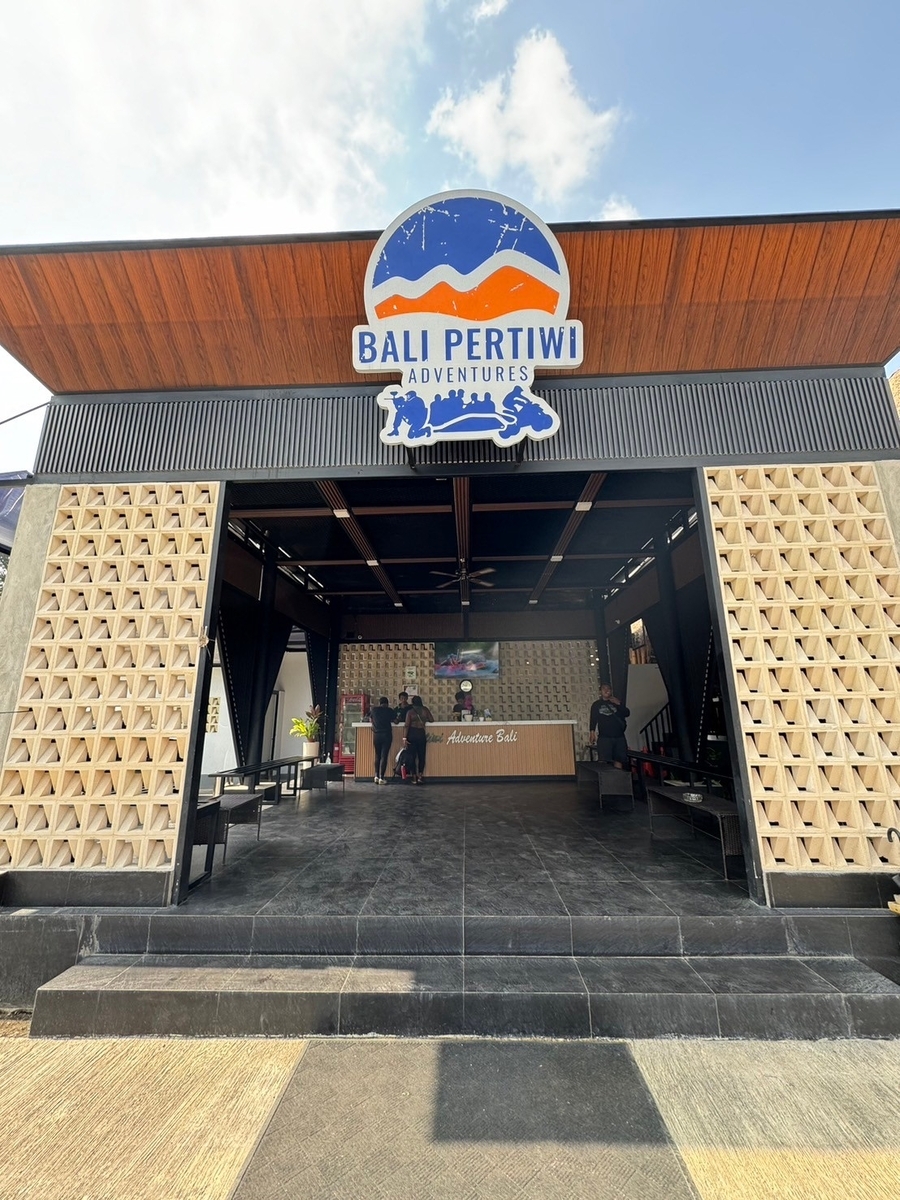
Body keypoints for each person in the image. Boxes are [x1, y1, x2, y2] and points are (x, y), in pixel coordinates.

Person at [589, 683, 630, 768]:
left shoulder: (616, 702)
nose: (606, 690)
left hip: (619, 736)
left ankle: (618, 775)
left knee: (619, 759)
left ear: (611, 691)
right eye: (604, 688)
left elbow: (627, 713)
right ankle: (604, 776)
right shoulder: (596, 704)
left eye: (608, 689)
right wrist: (592, 732)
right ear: (600, 691)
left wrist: (619, 704)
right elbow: (593, 719)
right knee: (603, 760)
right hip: (604, 737)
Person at [403, 694, 433, 784]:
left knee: (412, 756)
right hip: (421, 734)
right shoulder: (425, 710)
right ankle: (420, 775)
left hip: (412, 734)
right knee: (421, 756)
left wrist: (404, 738)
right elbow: (431, 719)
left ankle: (414, 777)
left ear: (412, 702)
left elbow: (407, 725)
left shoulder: (410, 712)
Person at [369, 696, 394, 785]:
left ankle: (376, 776)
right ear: (387, 703)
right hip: (386, 735)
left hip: (376, 735)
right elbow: (396, 720)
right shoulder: (389, 710)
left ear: (379, 703)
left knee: (377, 755)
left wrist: (373, 725)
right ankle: (381, 778)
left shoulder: (374, 710)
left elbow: (369, 718)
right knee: (384, 756)